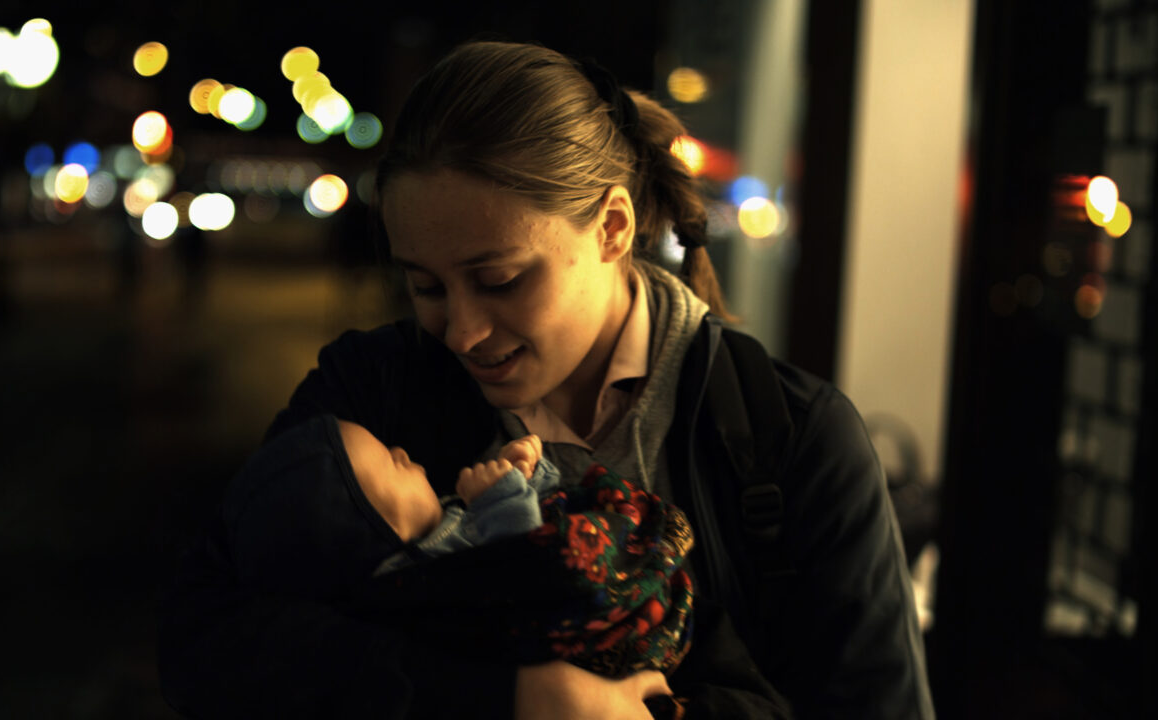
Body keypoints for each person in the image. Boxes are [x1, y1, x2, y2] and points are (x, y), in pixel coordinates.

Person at [159, 39, 934, 719]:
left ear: (613, 227)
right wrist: (503, 700)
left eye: (498, 280)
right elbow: (203, 641)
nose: (460, 332)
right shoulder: (374, 392)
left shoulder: (788, 437)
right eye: (425, 286)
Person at [220, 413, 723, 712]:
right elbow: (525, 570)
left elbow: (535, 522)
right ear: (380, 534)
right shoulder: (427, 575)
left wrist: (528, 475)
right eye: (391, 462)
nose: (402, 450)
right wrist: (503, 496)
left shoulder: (437, 533)